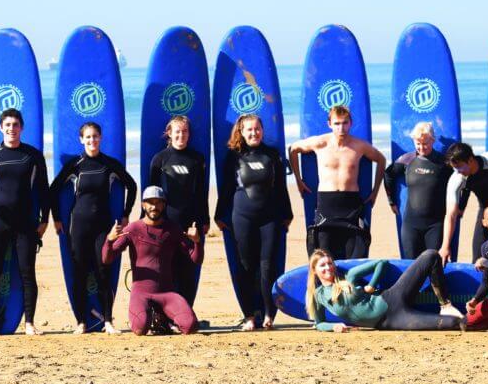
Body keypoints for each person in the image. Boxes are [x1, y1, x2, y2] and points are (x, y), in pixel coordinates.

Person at [0, 108, 52, 337]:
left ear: (21, 128)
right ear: (1, 128)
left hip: (26, 223)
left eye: (15, 125)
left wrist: (45, 219)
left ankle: (30, 323)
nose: (11, 129)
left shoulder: (33, 156)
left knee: (27, 273)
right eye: (7, 125)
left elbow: (44, 191)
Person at [49, 121, 138, 335]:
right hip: (78, 226)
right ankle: (81, 322)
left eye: (95, 137)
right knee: (79, 273)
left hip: (103, 228)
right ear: (82, 140)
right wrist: (57, 218)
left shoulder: (109, 164)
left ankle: (108, 321)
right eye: (88, 137)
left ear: (101, 138)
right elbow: (53, 190)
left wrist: (126, 214)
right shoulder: (75, 165)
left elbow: (132, 185)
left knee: (103, 272)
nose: (92, 141)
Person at [215, 113, 292, 331]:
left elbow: (280, 188)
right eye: (249, 129)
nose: (254, 133)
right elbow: (226, 189)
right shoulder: (234, 157)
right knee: (246, 266)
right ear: (241, 132)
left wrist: (287, 214)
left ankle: (268, 314)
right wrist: (219, 215)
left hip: (270, 218)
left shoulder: (272, 155)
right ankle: (249, 315)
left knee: (268, 266)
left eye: (257, 128)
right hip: (242, 217)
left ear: (262, 130)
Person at [102, 186, 203, 335]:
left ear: (164, 205)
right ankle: (151, 316)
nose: (154, 206)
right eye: (150, 202)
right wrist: (109, 241)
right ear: (143, 205)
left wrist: (197, 242)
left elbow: (196, 259)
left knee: (190, 326)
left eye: (158, 202)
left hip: (167, 293)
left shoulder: (172, 229)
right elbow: (107, 259)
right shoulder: (133, 229)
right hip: (141, 293)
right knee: (140, 329)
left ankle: (161, 317)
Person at [289, 105, 386, 259]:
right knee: (325, 254)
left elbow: (381, 160)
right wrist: (298, 180)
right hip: (327, 203)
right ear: (329, 124)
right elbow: (293, 149)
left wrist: (375, 191)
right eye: (337, 123)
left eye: (345, 123)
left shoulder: (359, 146)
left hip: (351, 203)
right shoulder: (320, 143)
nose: (341, 127)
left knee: (354, 253)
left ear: (351, 123)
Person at [306, 249, 464, 331]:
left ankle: (445, 305)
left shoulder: (349, 277)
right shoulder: (318, 296)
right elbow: (319, 323)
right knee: (452, 323)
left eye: (330, 263)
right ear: (314, 271)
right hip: (391, 321)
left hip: (392, 298)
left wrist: (372, 285)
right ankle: (466, 321)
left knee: (430, 255)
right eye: (323, 265)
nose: (328, 268)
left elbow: (381, 263)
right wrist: (333, 327)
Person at [147, 115, 209, 306]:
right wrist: (148, 221)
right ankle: (168, 314)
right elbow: (152, 195)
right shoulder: (159, 160)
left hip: (191, 222)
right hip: (167, 222)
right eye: (177, 131)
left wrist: (204, 219)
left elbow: (201, 192)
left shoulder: (197, 159)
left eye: (185, 131)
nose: (181, 135)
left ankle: (185, 311)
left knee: (189, 269)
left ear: (189, 134)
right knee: (168, 269)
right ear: (169, 134)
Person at [383, 122, 454, 258]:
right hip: (411, 225)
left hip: (436, 225)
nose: (421, 147)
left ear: (432, 140)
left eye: (425, 143)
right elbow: (388, 174)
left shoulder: (443, 163)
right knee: (412, 267)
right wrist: (391, 201)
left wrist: (460, 206)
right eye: (418, 143)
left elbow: (461, 182)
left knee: (434, 265)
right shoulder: (407, 160)